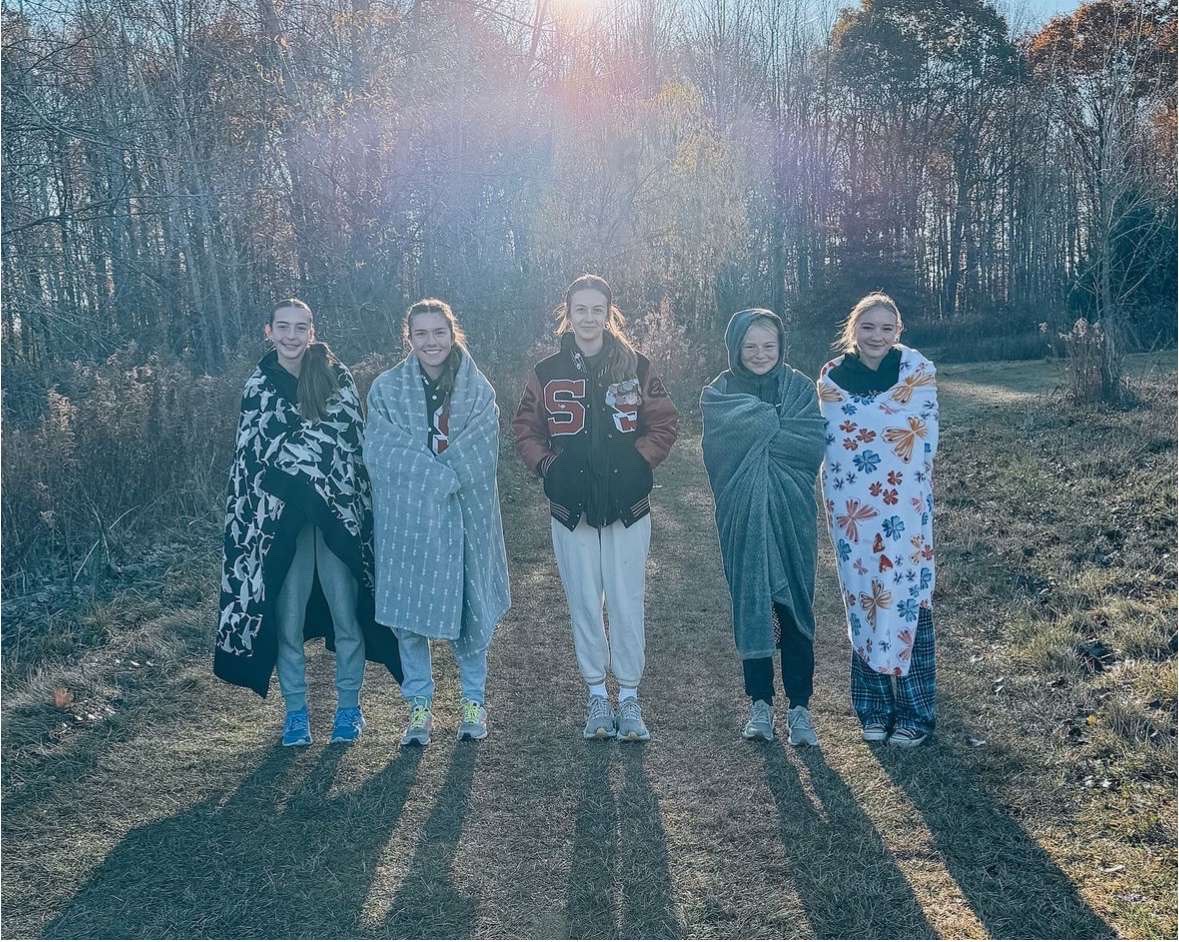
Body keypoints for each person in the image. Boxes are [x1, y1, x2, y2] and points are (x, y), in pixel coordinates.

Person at [215, 298, 401, 747]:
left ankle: (348, 710)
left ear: (312, 332)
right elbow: (250, 458)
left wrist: (308, 472)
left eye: (300, 328)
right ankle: (296, 712)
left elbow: (351, 443)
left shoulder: (336, 377)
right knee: (288, 619)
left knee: (346, 614)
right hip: (281, 523)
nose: (292, 336)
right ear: (269, 331)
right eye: (284, 327)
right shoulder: (258, 385)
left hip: (335, 517)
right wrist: (291, 477)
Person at [512, 274, 678, 741]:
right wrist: (548, 467)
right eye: (579, 309)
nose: (588, 317)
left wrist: (637, 464)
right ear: (568, 313)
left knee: (627, 600)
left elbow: (664, 423)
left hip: (628, 506)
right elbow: (525, 427)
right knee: (584, 600)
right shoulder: (546, 372)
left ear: (610, 312)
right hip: (572, 508)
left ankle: (628, 697)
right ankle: (596, 696)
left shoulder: (636, 364)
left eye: (596, 309)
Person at [365, 298, 510, 747]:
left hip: (466, 511)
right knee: (409, 615)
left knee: (470, 606)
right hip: (409, 516)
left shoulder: (476, 388)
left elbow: (483, 447)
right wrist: (437, 477)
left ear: (453, 334)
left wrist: (447, 477)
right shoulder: (386, 390)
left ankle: (473, 702)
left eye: (439, 333)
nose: (431, 342)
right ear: (409, 339)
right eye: (421, 334)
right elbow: (383, 451)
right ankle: (419, 706)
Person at [817, 292, 940, 747]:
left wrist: (878, 431)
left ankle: (915, 711)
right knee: (864, 598)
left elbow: (919, 434)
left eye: (887, 328)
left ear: (898, 332)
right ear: (854, 329)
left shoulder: (917, 373)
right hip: (855, 513)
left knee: (909, 600)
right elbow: (836, 436)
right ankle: (871, 707)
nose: (877, 336)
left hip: (904, 509)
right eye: (868, 327)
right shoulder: (832, 377)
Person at [701, 309, 827, 745]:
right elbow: (721, 454)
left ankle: (799, 709)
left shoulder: (799, 388)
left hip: (792, 515)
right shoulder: (719, 393)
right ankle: (760, 705)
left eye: (768, 346)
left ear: (781, 346)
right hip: (743, 516)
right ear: (735, 348)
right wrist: (772, 426)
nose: (759, 354)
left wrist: (760, 428)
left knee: (794, 607)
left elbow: (809, 444)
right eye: (750, 347)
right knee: (753, 602)